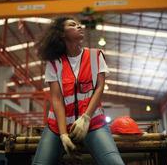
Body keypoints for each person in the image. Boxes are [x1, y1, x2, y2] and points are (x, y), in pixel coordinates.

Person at [32, 16, 124, 165]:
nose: (79, 26)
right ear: (62, 34)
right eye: (73, 25)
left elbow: (99, 88)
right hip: (57, 127)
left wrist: (86, 118)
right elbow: (56, 99)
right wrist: (63, 135)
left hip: (92, 124)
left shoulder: (95, 55)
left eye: (79, 25)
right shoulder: (54, 63)